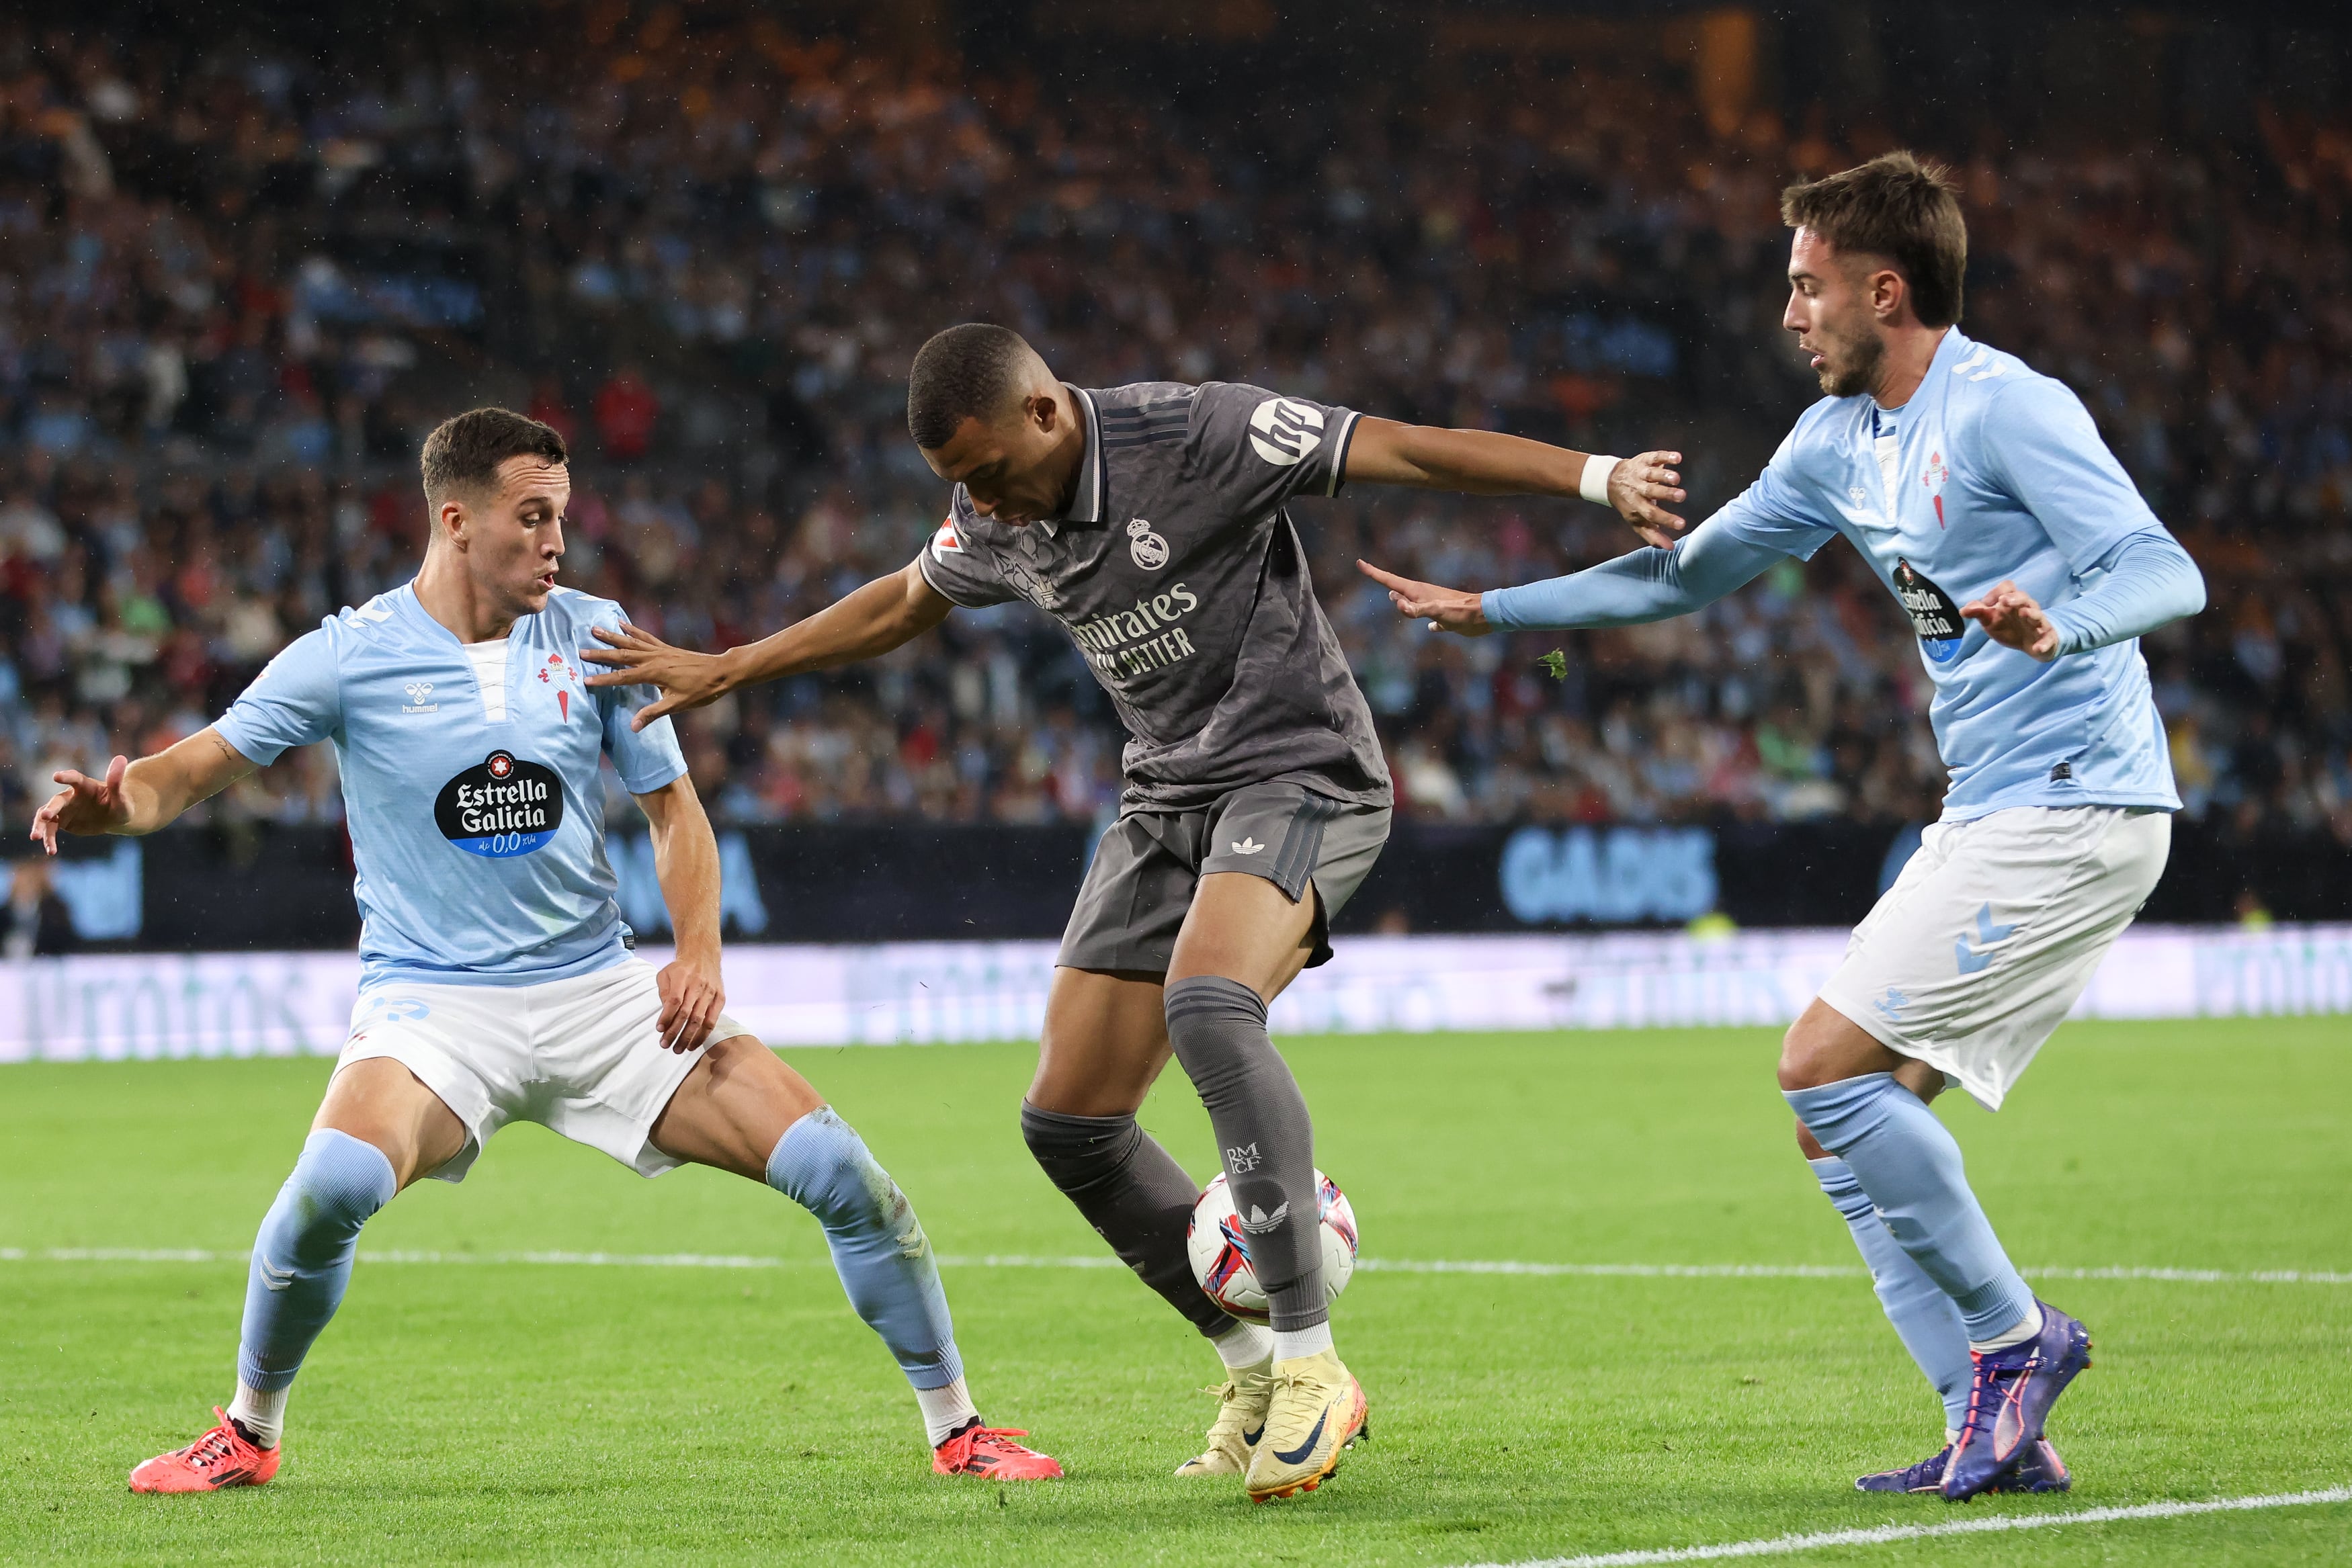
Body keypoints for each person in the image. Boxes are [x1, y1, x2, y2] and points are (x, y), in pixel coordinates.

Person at [581, 322, 1685, 1501]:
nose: (977, 501)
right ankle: (1252, 1363)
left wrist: (1596, 478)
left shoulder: (1200, 434)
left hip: (1301, 772)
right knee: (1068, 1121)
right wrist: (732, 665)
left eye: (987, 469)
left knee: (1210, 1004)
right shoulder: (995, 515)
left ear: (1046, 412)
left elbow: (1405, 452)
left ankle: (1317, 1365)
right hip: (1167, 803)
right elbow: (907, 598)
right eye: (956, 483)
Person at [1358, 152, 2206, 1501]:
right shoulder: (1832, 444)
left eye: (1807, 287)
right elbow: (1682, 580)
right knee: (1837, 1124)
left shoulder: (2004, 410)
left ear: (1885, 289)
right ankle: (1991, 1425)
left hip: (2078, 801)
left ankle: (2015, 1340)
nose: (1788, 313)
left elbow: (2164, 567)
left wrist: (2066, 623)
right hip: (1990, 806)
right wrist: (1496, 609)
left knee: (1819, 1067)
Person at [32, 408, 1060, 1493]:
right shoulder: (348, 655)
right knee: (326, 1189)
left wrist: (698, 953)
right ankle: (247, 1429)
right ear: (457, 521)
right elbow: (181, 775)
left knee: (845, 1174)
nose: (558, 541)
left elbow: (675, 812)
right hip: (434, 1006)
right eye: (534, 517)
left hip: (603, 994)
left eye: (563, 516)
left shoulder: (595, 631)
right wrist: (118, 800)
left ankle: (960, 1427)